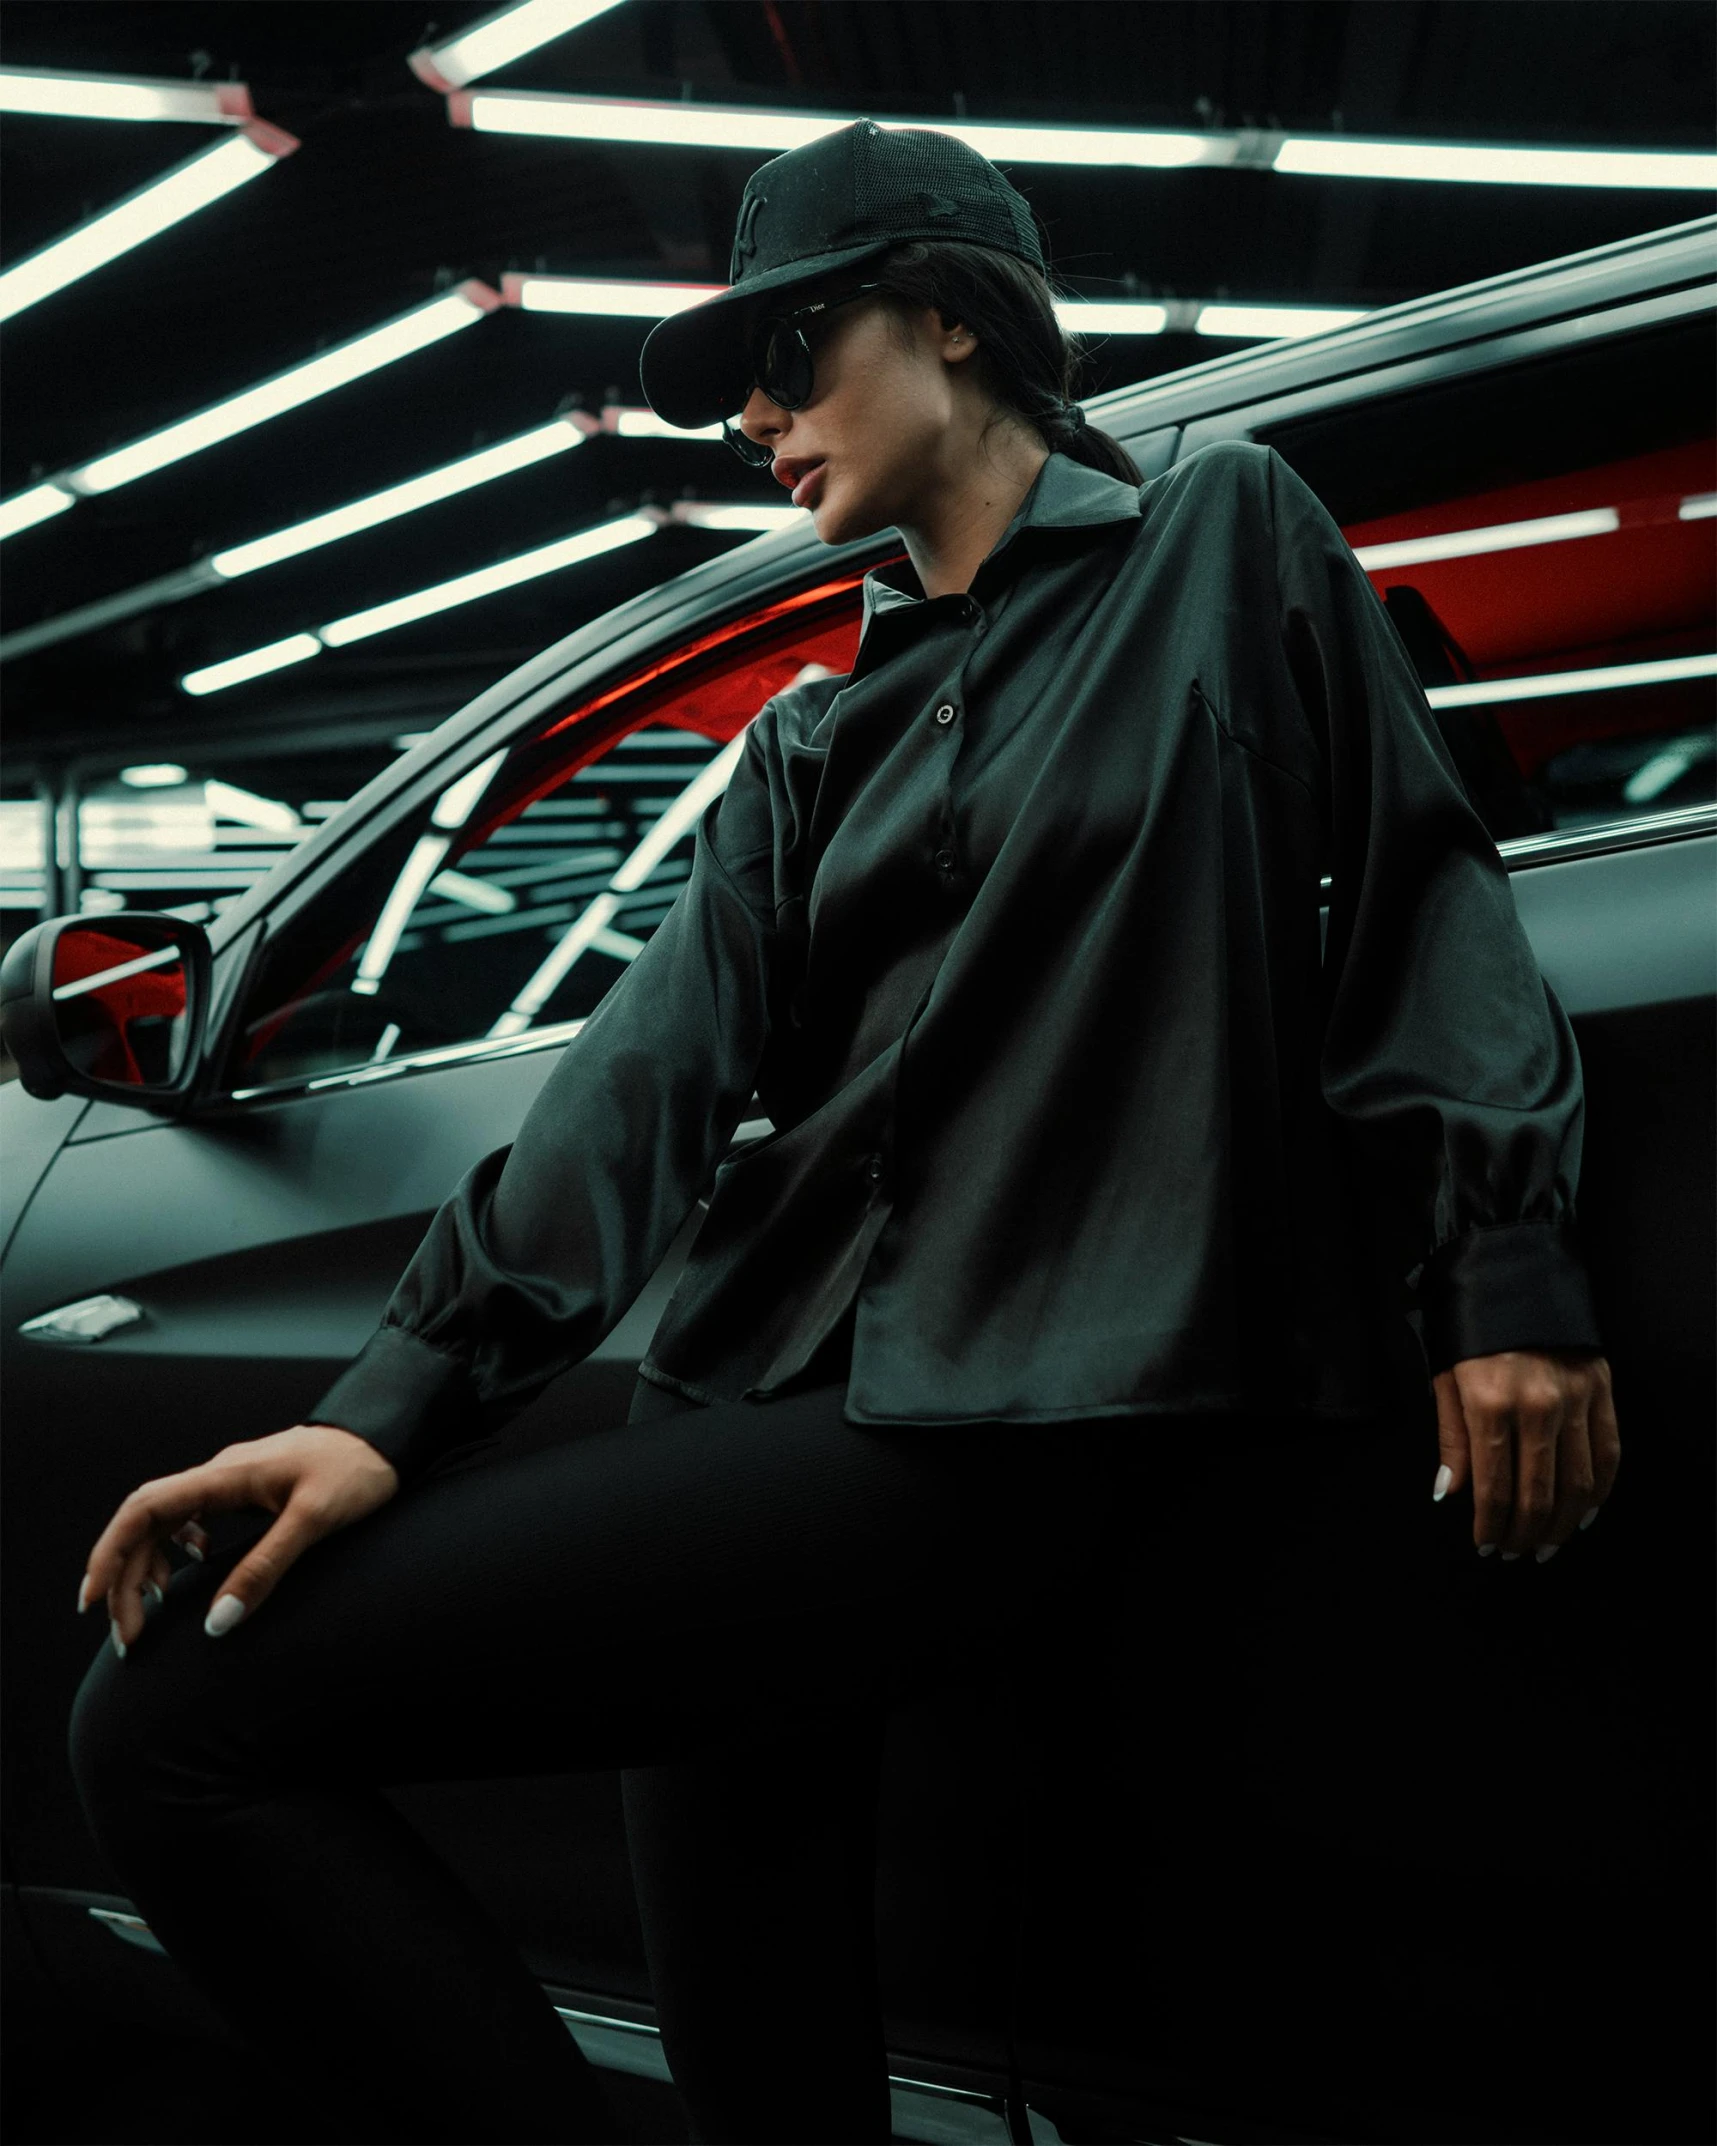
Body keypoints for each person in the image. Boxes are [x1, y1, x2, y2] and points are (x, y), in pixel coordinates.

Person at [67, 120, 1620, 2146]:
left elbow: (1426, 892)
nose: (751, 417)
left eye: (785, 352)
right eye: (727, 390)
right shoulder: (808, 741)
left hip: (1030, 1412)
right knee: (762, 2069)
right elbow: (640, 1086)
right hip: (764, 1394)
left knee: (170, 1724)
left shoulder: (1222, 542)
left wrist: (1504, 1260)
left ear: (954, 318)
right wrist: (388, 1408)